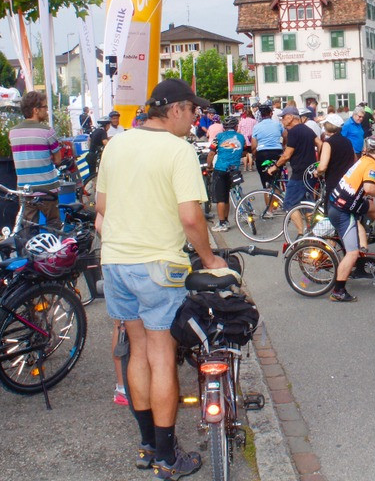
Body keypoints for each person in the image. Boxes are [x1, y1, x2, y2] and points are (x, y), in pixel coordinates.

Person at [96, 78, 224, 479]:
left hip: (116, 262)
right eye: (193, 110)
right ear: (174, 110)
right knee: (160, 353)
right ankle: (168, 458)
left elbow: (101, 206)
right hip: (158, 266)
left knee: (136, 351)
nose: (196, 118)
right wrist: (209, 258)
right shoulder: (177, 150)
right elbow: (190, 218)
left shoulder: (115, 144)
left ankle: (148, 444)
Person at [326, 135, 375, 302]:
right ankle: (338, 291)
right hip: (342, 211)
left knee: (370, 207)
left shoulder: (368, 161)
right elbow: (369, 188)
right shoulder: (370, 165)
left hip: (343, 203)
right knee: (353, 253)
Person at [8, 90, 63, 230]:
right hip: (47, 189)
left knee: (28, 228)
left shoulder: (13, 132)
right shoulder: (47, 131)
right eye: (44, 107)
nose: (46, 111)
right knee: (54, 225)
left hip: (25, 190)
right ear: (36, 110)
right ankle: (54, 250)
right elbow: (58, 159)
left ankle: (30, 252)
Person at [267, 106, 316, 237]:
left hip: (299, 173)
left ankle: (302, 233)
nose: (282, 120)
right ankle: (313, 232)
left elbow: (287, 155)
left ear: (290, 117)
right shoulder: (308, 130)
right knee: (308, 204)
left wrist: (275, 166)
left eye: (283, 118)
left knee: (289, 204)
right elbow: (320, 143)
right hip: (310, 172)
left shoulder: (293, 132)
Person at [206, 115, 246, 232]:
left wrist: (209, 166)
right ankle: (226, 220)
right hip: (234, 170)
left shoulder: (219, 137)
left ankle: (222, 222)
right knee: (227, 196)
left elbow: (211, 153)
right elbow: (243, 150)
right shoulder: (241, 137)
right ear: (236, 126)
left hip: (221, 169)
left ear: (224, 127)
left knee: (220, 198)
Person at [251, 104, 285, 189]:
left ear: (261, 115)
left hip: (262, 153)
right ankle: (278, 197)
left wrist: (255, 155)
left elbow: (253, 146)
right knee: (276, 181)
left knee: (266, 184)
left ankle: (268, 200)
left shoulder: (257, 127)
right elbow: (286, 136)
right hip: (276, 152)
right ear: (271, 114)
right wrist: (283, 146)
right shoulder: (278, 124)